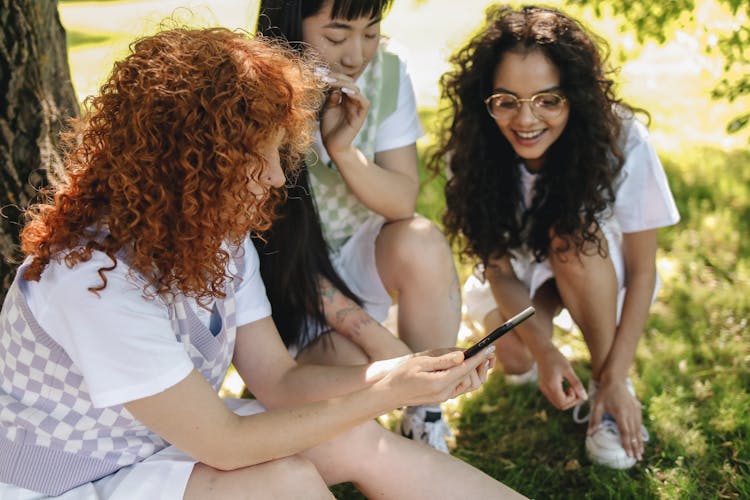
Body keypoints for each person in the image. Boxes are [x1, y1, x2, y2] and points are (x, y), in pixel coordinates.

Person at [0, 27, 523, 499]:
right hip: (66, 481)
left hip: (153, 447)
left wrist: (404, 372)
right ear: (192, 164)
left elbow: (279, 379)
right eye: (259, 157)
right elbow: (227, 446)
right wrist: (389, 392)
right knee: (283, 483)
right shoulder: (94, 280)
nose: (277, 177)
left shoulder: (220, 238)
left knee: (352, 436)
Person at [426, 4, 680, 470]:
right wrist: (545, 353)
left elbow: (644, 273)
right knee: (516, 359)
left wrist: (615, 377)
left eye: (548, 99)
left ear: (575, 98)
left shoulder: (621, 138)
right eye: (507, 100)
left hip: (594, 266)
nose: (526, 120)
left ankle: (609, 387)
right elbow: (499, 271)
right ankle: (539, 349)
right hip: (522, 276)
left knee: (572, 240)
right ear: (486, 99)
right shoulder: (472, 153)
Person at [255, 0, 461, 452]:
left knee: (421, 242)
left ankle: (424, 415)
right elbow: (271, 252)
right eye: (336, 35)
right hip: (289, 284)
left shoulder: (387, 69)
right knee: (353, 387)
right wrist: (384, 344)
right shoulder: (254, 89)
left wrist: (344, 151)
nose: (356, 55)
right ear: (289, 23)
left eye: (371, 31)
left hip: (360, 251)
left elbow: (401, 201)